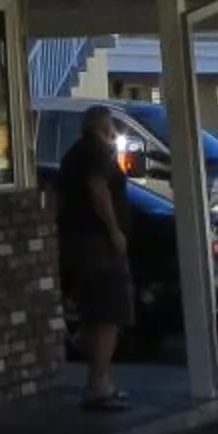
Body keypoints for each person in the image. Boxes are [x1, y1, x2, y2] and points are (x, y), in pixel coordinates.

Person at [56, 105, 135, 408]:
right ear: (104, 126)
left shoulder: (73, 154)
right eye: (112, 126)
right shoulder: (97, 152)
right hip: (97, 246)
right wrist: (114, 231)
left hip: (77, 244)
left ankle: (98, 380)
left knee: (92, 313)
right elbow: (98, 188)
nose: (114, 132)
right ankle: (98, 385)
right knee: (108, 313)